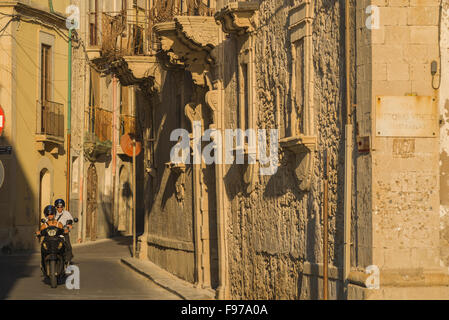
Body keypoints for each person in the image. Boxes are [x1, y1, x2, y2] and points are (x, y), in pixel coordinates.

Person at [36, 205, 67, 272]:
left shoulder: (59, 224)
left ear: (54, 214)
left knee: (64, 246)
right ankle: (42, 262)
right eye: (48, 214)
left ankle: (65, 262)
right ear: (46, 215)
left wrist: (65, 231)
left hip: (57, 241)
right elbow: (40, 232)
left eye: (51, 214)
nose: (50, 216)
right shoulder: (44, 225)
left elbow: (63, 230)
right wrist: (38, 233)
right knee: (42, 248)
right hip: (47, 242)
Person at [54, 199, 74, 263]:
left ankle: (68, 259)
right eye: (58, 207)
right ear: (56, 207)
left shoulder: (66, 213)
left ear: (63, 207)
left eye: (61, 206)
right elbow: (47, 220)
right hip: (54, 232)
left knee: (68, 246)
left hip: (63, 231)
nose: (60, 208)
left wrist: (69, 225)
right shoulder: (53, 213)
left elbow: (71, 220)